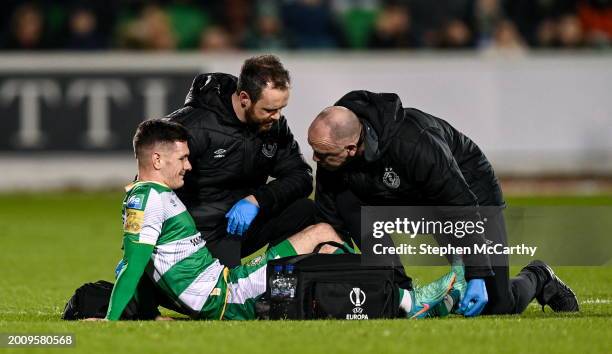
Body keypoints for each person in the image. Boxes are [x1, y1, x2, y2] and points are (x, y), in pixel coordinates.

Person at [103, 119, 461, 321]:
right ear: (156, 159)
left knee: (322, 233)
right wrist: (111, 320)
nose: (189, 165)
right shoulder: (147, 199)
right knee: (323, 251)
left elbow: (138, 263)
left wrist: (149, 314)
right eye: (181, 158)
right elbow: (133, 264)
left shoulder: (150, 195)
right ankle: (405, 302)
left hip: (227, 282)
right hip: (226, 297)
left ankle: (393, 295)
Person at [307, 90, 579, 317]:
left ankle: (540, 275)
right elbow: (330, 220)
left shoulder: (415, 142)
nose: (315, 159)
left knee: (498, 305)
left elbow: (459, 205)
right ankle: (398, 290)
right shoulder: (333, 158)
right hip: (411, 201)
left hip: (469, 197)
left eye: (321, 153)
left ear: (352, 147)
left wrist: (476, 273)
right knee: (347, 200)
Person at [166, 55, 315, 268]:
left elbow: (301, 176)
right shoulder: (193, 126)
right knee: (221, 299)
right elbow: (152, 182)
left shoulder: (274, 126)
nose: (277, 116)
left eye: (281, 108)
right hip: (199, 232)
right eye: (269, 109)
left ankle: (280, 288)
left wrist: (257, 200)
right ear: (244, 98)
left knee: (303, 211)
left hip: (241, 226)